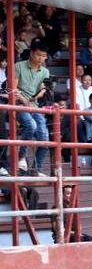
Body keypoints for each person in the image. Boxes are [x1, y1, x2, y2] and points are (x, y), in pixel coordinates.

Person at [14, 40, 50, 176]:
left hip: (34, 106)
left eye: (44, 56)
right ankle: (21, 156)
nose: (41, 59)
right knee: (31, 125)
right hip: (18, 104)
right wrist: (24, 100)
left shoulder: (45, 71)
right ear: (31, 53)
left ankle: (36, 170)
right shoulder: (18, 66)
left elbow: (43, 91)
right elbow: (13, 89)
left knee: (45, 139)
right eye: (38, 55)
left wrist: (40, 93)